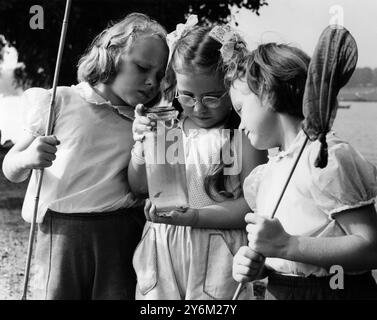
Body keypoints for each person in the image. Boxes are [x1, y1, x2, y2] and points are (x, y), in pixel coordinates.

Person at [2, 12, 169, 300]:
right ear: (112, 55)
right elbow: (10, 168)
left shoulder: (145, 121)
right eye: (142, 68)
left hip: (122, 232)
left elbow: (144, 186)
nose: (151, 82)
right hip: (61, 233)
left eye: (158, 76)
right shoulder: (62, 101)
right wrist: (28, 157)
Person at [129, 19, 268, 300]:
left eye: (213, 97)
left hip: (219, 249)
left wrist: (195, 217)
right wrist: (142, 146)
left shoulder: (241, 135)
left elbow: (253, 205)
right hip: (162, 245)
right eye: (188, 96)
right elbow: (139, 187)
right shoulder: (169, 128)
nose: (199, 107)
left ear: (233, 85)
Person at [230, 42, 377, 299]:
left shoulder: (325, 157)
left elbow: (370, 247)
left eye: (241, 109)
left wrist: (287, 245)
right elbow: (287, 259)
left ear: (266, 92)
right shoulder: (269, 173)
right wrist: (258, 265)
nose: (240, 124)